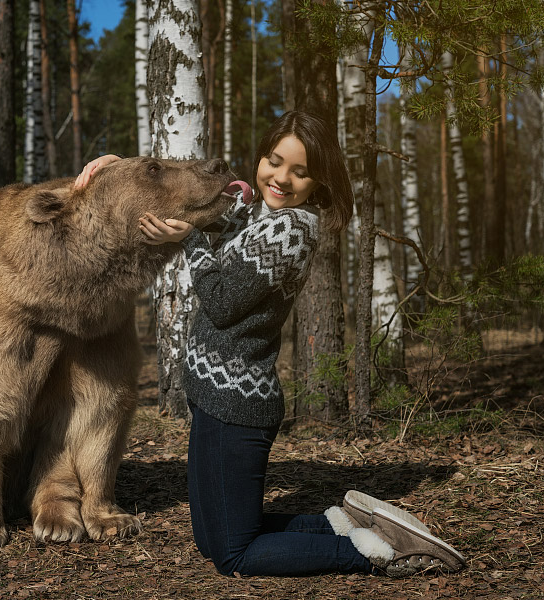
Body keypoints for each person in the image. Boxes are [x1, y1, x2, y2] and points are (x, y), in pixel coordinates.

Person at [74, 110, 467, 578]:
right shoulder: (264, 213)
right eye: (274, 161)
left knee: (232, 555)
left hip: (238, 405)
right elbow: (222, 203)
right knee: (211, 537)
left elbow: (221, 302)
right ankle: (344, 523)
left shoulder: (293, 229)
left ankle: (376, 554)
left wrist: (192, 238)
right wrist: (113, 168)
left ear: (318, 181)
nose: (281, 178)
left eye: (300, 172)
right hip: (210, 394)